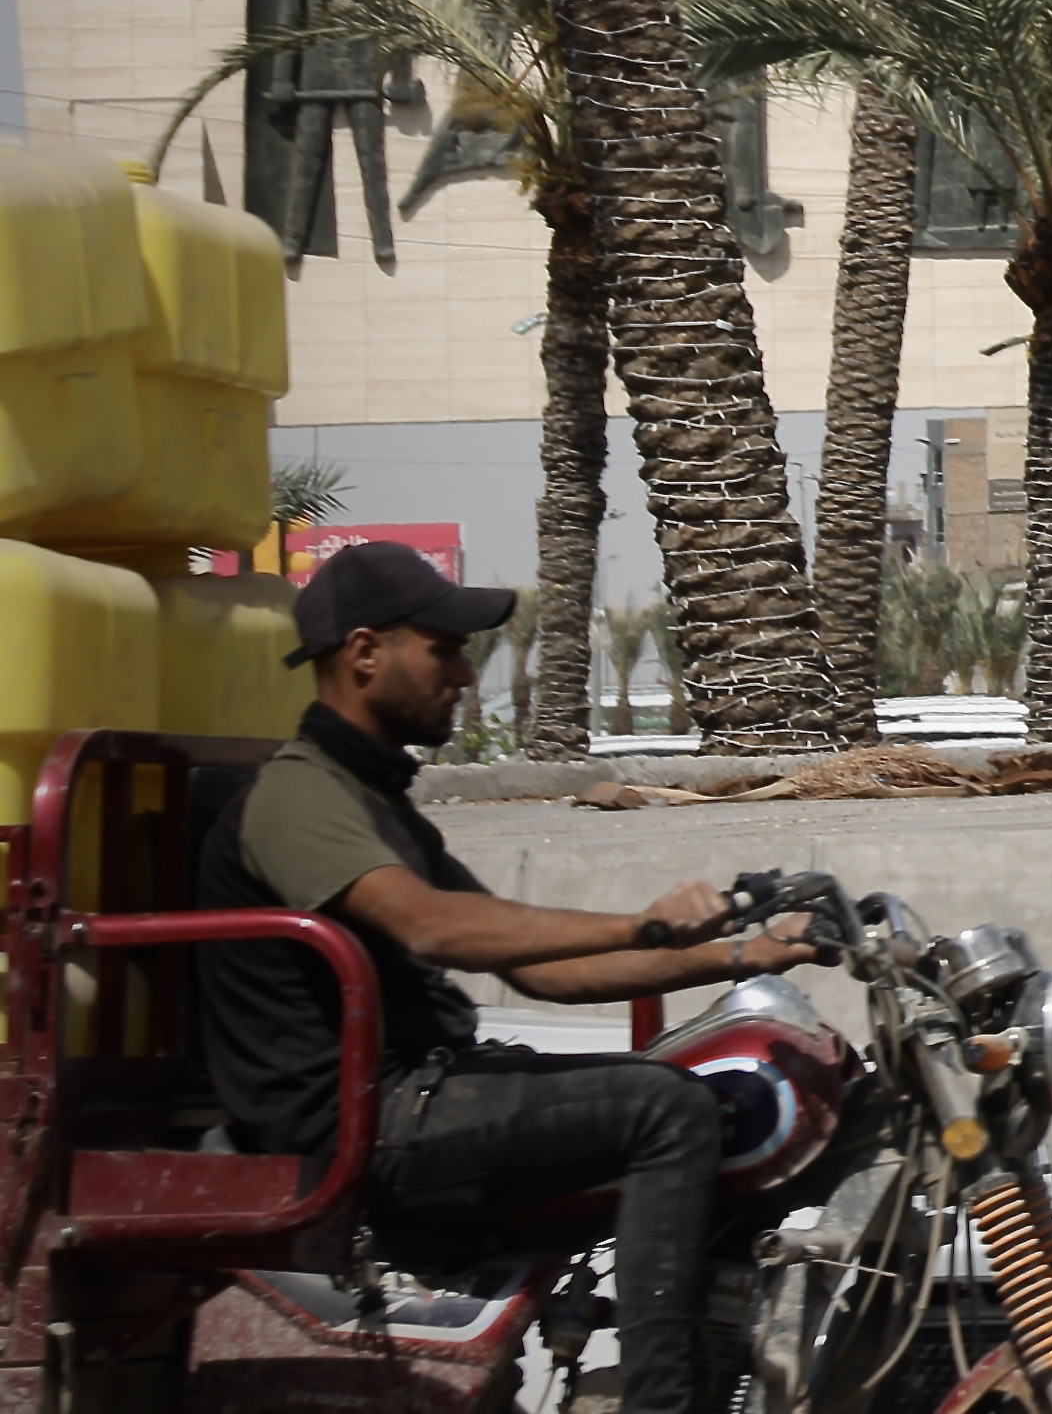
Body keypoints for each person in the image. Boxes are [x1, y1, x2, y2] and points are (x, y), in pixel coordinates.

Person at [198, 542, 829, 1414]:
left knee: (697, 1092)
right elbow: (430, 925)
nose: (464, 673)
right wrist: (643, 920)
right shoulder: (299, 797)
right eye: (444, 648)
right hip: (360, 1122)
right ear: (364, 651)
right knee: (669, 1111)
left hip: (415, 1097)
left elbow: (543, 969)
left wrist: (744, 953)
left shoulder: (370, 799)